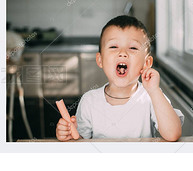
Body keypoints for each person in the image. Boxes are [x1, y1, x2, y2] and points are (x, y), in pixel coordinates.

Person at [56, 15, 184, 141]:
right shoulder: (89, 101)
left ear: (146, 63)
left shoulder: (151, 97)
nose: (122, 53)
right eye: (113, 47)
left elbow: (173, 134)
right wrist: (68, 134)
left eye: (133, 48)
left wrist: (155, 90)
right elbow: (79, 141)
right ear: (100, 60)